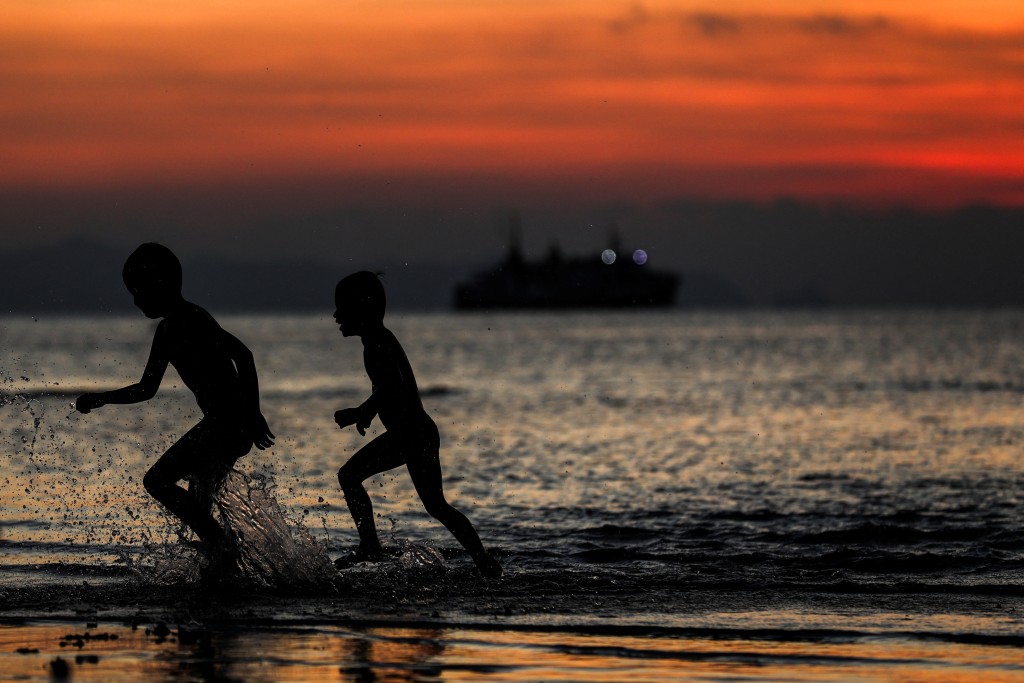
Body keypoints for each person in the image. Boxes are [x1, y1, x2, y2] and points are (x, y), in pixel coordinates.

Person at [75, 243, 274, 561]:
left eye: (139, 290)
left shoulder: (192, 319)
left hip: (227, 423)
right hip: (223, 425)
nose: (136, 300)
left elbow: (243, 355)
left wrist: (253, 412)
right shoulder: (166, 330)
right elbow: (146, 389)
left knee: (157, 480)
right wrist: (103, 399)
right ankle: (223, 570)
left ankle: (221, 545)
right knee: (199, 503)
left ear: (161, 284)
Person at [332, 271, 501, 577]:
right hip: (419, 432)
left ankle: (370, 546)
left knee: (349, 476)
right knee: (436, 505)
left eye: (341, 308)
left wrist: (361, 411)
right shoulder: (378, 339)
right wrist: (370, 412)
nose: (335, 315)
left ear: (362, 308)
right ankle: (484, 562)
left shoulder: (376, 344)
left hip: (409, 435)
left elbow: (392, 386)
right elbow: (389, 388)